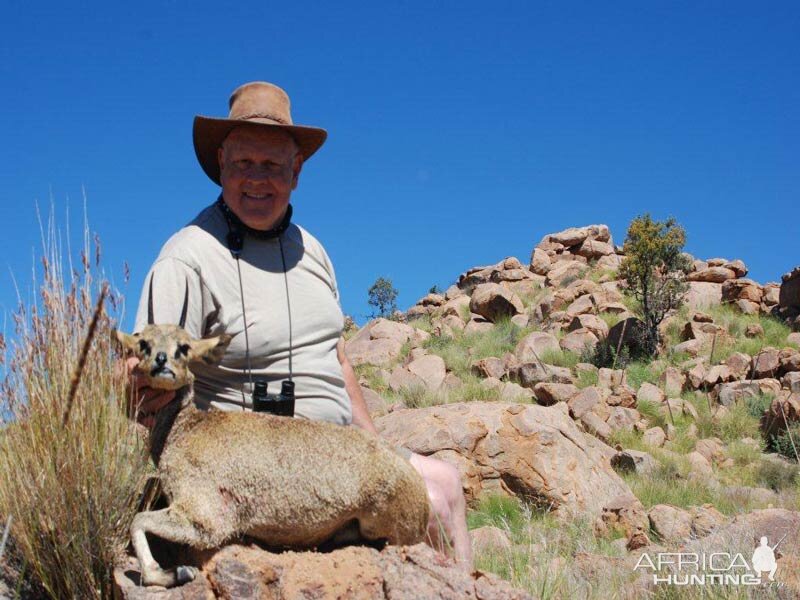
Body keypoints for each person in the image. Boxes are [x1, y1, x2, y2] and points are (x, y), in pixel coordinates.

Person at [128, 81, 472, 566]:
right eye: (244, 163)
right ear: (221, 164)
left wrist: (373, 445)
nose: (257, 179)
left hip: (337, 455)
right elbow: (147, 368)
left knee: (446, 485)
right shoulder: (186, 258)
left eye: (272, 165)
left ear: (297, 171)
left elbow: (337, 358)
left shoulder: (314, 252)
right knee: (425, 508)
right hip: (256, 469)